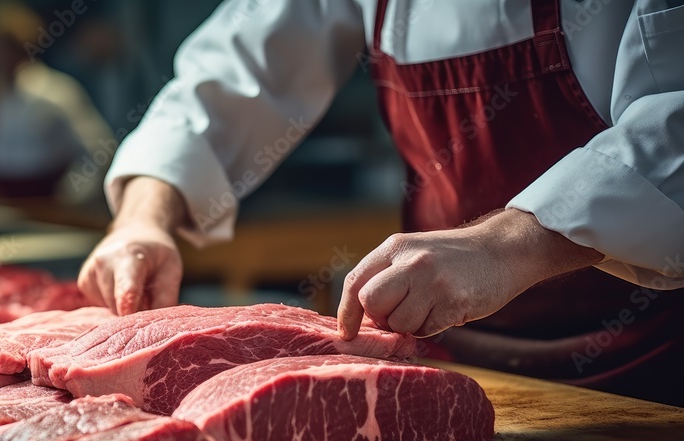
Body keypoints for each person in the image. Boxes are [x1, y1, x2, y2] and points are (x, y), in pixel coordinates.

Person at [78, 0, 684, 403]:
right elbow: (235, 69)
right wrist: (142, 218)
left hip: (652, 359)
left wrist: (510, 245)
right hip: (455, 355)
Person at [0, 2, 115, 202]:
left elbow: (101, 149)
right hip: (0, 202)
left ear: (22, 46)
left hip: (44, 201)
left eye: (3, 46)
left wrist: (71, 194)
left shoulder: (55, 91)